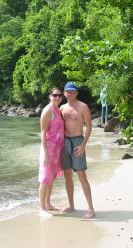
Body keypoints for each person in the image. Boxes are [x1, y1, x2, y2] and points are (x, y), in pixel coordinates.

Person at [60, 82, 95, 219]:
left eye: (73, 92)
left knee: (81, 175)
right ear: (64, 93)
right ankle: (71, 205)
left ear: (76, 93)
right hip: (65, 142)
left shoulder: (83, 107)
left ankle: (91, 208)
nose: (70, 94)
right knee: (67, 174)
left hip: (77, 141)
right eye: (68, 92)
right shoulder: (62, 108)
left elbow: (89, 127)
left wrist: (83, 145)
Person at [38, 87, 65, 218]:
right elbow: (43, 133)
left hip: (57, 150)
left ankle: (48, 203)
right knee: (45, 178)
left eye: (60, 95)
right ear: (50, 96)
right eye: (55, 95)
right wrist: (46, 153)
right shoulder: (47, 111)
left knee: (52, 177)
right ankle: (42, 208)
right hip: (48, 149)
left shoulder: (58, 111)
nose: (57, 97)